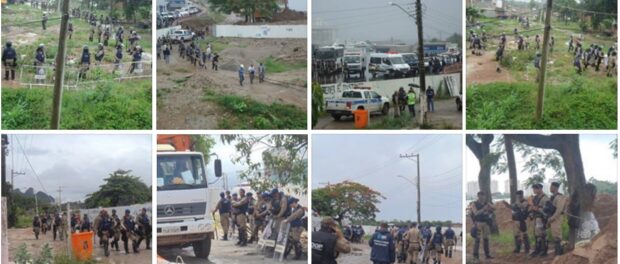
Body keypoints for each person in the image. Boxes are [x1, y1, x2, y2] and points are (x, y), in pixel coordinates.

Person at [470, 191, 494, 260]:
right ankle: (475, 256)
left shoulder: (486, 203)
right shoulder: (474, 204)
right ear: (478, 196)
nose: (483, 198)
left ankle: (487, 255)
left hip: (485, 223)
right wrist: (484, 209)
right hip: (478, 223)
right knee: (477, 240)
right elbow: (476, 213)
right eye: (481, 196)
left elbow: (494, 208)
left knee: (486, 239)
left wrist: (490, 208)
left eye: (483, 196)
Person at [547, 182, 568, 256]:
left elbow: (559, 210)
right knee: (555, 236)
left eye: (551, 186)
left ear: (555, 187)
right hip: (553, 218)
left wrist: (552, 218)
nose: (550, 188)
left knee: (557, 236)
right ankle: (558, 253)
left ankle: (559, 254)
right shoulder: (553, 196)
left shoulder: (560, 197)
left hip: (557, 218)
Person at [529, 183, 549, 257]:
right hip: (536, 218)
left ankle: (544, 251)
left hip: (541, 218)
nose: (534, 190)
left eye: (535, 189)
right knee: (537, 235)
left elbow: (547, 210)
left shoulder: (545, 198)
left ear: (540, 189)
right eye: (533, 189)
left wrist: (536, 208)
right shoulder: (535, 198)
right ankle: (538, 250)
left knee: (542, 235)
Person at [508, 190, 530, 254]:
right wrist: (507, 205)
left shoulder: (525, 202)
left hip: (522, 220)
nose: (518, 196)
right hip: (515, 220)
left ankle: (527, 249)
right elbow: (513, 207)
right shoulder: (516, 202)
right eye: (517, 195)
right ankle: (517, 248)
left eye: (519, 195)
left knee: (524, 235)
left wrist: (517, 201)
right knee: (516, 235)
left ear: (522, 195)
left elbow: (521, 206)